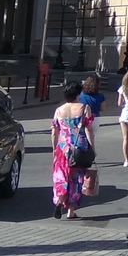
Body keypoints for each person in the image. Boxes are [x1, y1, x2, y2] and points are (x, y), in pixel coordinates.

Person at [51, 81, 95, 220]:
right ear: (78, 94)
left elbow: (54, 131)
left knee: (62, 176)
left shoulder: (59, 110)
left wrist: (54, 148)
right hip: (79, 147)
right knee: (76, 178)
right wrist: (92, 147)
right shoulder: (84, 108)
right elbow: (88, 129)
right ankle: (71, 211)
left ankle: (59, 200)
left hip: (63, 147)